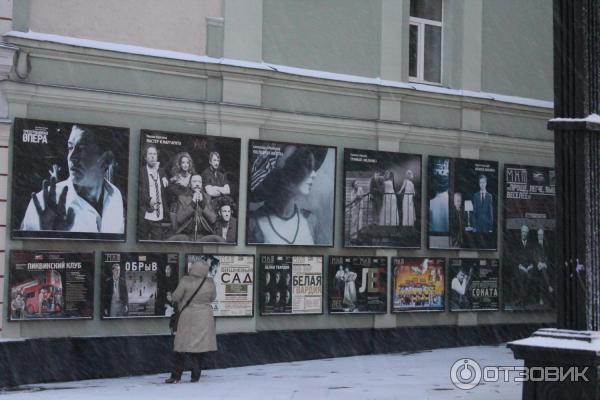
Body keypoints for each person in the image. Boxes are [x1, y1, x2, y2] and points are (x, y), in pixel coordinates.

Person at [20, 124, 124, 234]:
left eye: (81, 148)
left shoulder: (115, 196)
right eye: (70, 147)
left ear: (106, 160)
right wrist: (47, 234)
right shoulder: (43, 204)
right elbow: (25, 250)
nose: (71, 156)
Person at [247, 145, 330, 245]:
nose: (313, 174)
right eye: (304, 165)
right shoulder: (254, 224)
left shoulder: (311, 221)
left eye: (311, 166)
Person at [166, 259, 217, 383]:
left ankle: (176, 376)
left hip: (188, 317)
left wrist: (170, 296)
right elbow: (213, 297)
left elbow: (176, 297)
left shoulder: (186, 281)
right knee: (199, 349)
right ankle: (195, 376)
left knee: (181, 347)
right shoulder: (210, 282)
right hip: (204, 318)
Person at [166, 175, 222, 242]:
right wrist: (193, 203)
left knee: (220, 240)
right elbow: (179, 219)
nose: (197, 184)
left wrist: (202, 204)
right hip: (186, 235)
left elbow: (213, 219)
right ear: (190, 184)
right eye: (194, 181)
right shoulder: (182, 198)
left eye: (199, 182)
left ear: (201, 184)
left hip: (204, 235)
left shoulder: (207, 197)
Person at [139, 144, 169, 240]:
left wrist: (166, 181)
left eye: (155, 154)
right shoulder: (141, 172)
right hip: (145, 214)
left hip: (158, 215)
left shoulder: (161, 171)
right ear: (145, 157)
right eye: (150, 154)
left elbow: (167, 187)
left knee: (158, 245)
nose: (152, 156)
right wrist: (148, 200)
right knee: (142, 244)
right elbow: (138, 191)